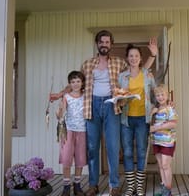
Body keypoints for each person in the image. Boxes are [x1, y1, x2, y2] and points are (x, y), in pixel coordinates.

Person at [50, 30, 157, 196]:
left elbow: (138, 70)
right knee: (92, 147)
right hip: (91, 105)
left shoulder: (120, 63)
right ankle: (93, 185)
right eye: (102, 42)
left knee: (113, 147)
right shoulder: (87, 64)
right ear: (97, 44)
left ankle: (114, 185)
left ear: (111, 44)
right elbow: (75, 84)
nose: (104, 45)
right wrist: (59, 94)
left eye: (107, 42)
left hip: (112, 106)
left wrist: (152, 57)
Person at [118, 44, 156, 196]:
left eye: (136, 56)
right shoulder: (122, 76)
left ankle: (139, 186)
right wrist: (120, 100)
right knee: (127, 152)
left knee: (141, 151)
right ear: (127, 58)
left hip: (142, 118)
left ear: (140, 59)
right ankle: (130, 186)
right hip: (126, 119)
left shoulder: (147, 74)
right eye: (131, 56)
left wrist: (162, 105)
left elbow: (155, 93)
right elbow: (118, 96)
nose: (133, 58)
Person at [56, 71, 87, 196]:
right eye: (73, 82)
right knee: (66, 158)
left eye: (78, 81)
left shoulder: (86, 96)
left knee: (80, 159)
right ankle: (66, 186)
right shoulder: (66, 97)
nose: (75, 84)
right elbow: (60, 114)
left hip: (82, 130)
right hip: (68, 130)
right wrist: (58, 112)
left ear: (82, 83)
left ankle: (77, 185)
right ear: (69, 84)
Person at [150, 84, 178, 196]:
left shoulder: (170, 109)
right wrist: (152, 113)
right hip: (156, 141)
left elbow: (173, 123)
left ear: (167, 95)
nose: (160, 97)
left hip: (167, 142)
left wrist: (156, 128)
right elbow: (149, 123)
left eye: (162, 94)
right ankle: (164, 188)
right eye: (158, 95)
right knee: (161, 165)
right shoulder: (155, 110)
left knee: (166, 165)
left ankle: (168, 190)